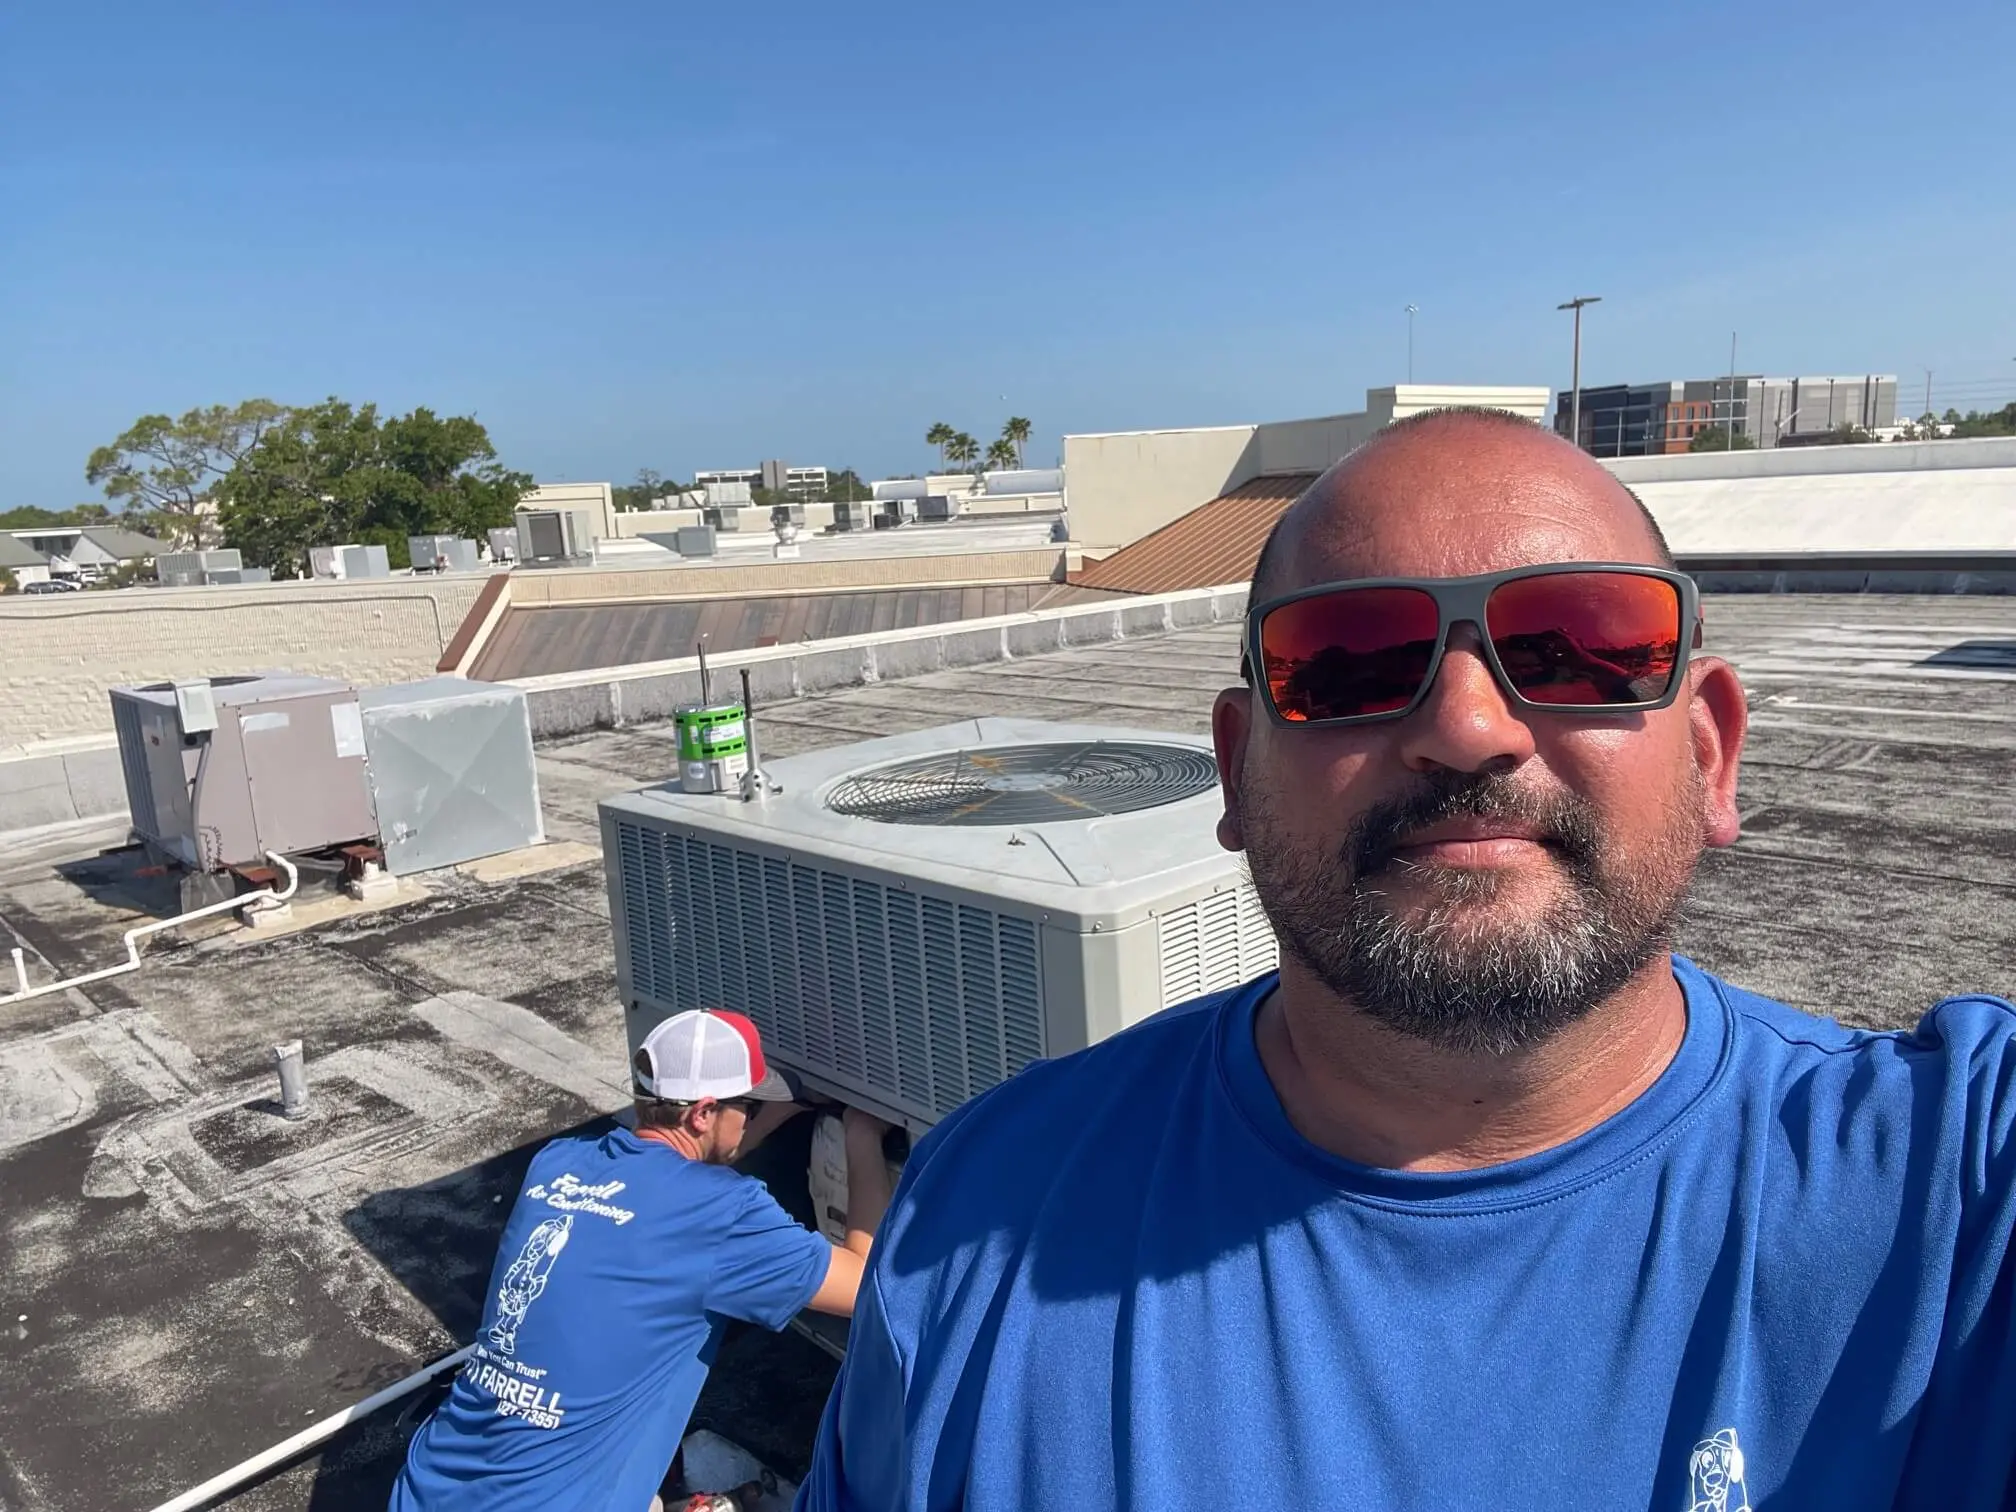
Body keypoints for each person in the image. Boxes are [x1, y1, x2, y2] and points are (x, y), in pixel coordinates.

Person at [797, 408, 2015, 1510]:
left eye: (1582, 643)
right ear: (1235, 771)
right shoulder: (978, 1219)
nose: (1467, 726)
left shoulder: (1956, 1192)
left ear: (1712, 753)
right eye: (1349, 662)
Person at [391, 1008, 893, 1511]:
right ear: (703, 1113)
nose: (751, 1116)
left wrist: (777, 1112)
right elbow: (867, 1286)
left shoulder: (558, 1163)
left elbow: (669, 1178)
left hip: (430, 1484)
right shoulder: (726, 1215)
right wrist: (860, 1137)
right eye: (749, 1105)